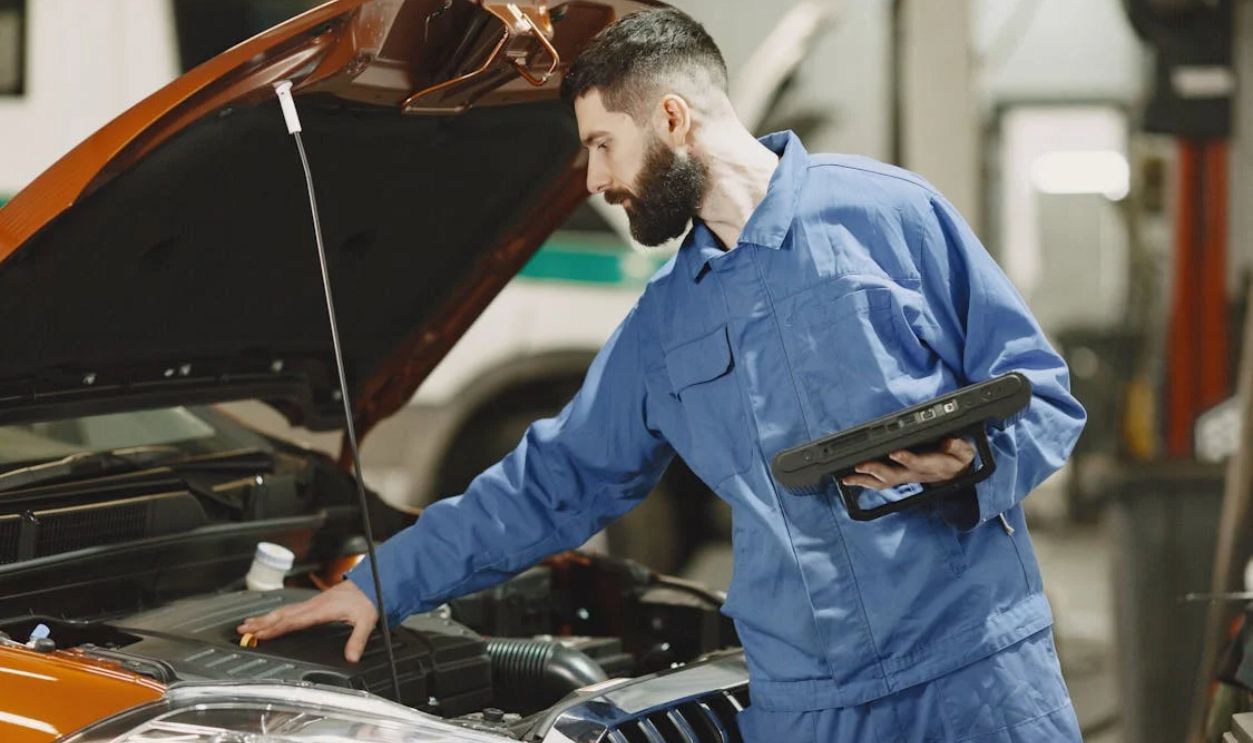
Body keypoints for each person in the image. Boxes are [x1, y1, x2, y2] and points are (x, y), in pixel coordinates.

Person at [238, 8, 1087, 741]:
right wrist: (379, 585)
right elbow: (553, 481)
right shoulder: (663, 325)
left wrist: (969, 460)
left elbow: (1040, 394)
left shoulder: (888, 215)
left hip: (974, 668)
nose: (596, 179)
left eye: (602, 145)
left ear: (672, 118)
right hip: (812, 702)